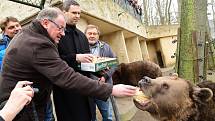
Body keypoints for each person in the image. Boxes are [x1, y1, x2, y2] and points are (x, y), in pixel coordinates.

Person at [0, 7, 137, 121]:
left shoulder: (31, 34)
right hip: (24, 107)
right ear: (46, 23)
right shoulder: (38, 44)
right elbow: (67, 76)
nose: (63, 33)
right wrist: (110, 89)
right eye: (60, 28)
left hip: (30, 101)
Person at [52, 1, 96, 121]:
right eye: (74, 13)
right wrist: (75, 57)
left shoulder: (82, 36)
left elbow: (88, 61)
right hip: (66, 92)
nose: (77, 16)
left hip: (85, 89)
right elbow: (53, 61)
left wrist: (99, 69)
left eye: (79, 13)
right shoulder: (55, 34)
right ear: (64, 13)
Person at [85, 24, 116, 121]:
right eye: (89, 33)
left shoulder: (106, 47)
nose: (92, 36)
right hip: (86, 87)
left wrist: (105, 76)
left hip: (103, 86)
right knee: (90, 116)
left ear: (98, 35)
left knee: (108, 116)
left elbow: (114, 63)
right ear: (85, 35)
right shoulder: (81, 47)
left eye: (95, 33)